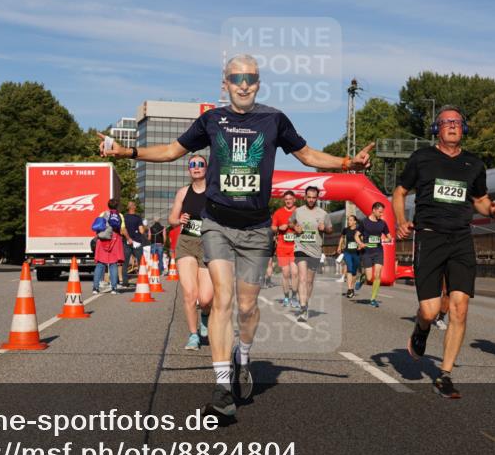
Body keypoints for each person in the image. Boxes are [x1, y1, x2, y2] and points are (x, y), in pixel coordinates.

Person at [98, 54, 372, 417]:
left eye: (250, 78)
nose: (244, 85)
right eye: (236, 78)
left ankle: (243, 354)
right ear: (224, 84)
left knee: (246, 307)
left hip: (256, 228)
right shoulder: (211, 120)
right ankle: (223, 387)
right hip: (217, 224)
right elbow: (170, 151)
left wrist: (347, 164)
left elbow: (307, 156)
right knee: (222, 301)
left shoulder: (274, 119)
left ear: (258, 83)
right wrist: (127, 151)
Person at [392, 105, 495, 399]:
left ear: (464, 129)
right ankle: (421, 328)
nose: (453, 125)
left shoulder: (474, 164)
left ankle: (444, 374)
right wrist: (401, 221)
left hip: (461, 239)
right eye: (446, 122)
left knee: (459, 307)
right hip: (429, 238)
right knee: (430, 311)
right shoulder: (422, 158)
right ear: (436, 129)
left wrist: (492, 210)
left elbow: (480, 199)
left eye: (457, 122)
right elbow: (400, 192)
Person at [168, 155, 213, 350]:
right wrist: (179, 220)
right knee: (189, 293)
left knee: (205, 299)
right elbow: (171, 219)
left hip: (209, 245)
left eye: (200, 164)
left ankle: (205, 315)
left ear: (206, 168)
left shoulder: (214, 191)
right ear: (189, 169)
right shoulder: (183, 192)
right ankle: (193, 334)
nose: (196, 167)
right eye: (192, 165)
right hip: (186, 243)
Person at [289, 186, 331, 323]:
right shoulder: (298, 211)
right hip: (301, 247)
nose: (311, 200)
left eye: (314, 197)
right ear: (305, 197)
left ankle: (305, 304)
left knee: (309, 281)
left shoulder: (323, 213)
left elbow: (330, 229)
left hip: (315, 250)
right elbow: (290, 222)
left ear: (317, 198)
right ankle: (302, 308)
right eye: (309, 197)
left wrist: (325, 228)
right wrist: (295, 227)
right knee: (302, 277)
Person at [355, 203, 392, 308]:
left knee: (377, 275)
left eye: (382, 212)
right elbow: (356, 235)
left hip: (378, 251)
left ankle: (373, 299)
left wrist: (387, 239)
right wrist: (360, 243)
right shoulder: (364, 222)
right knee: (369, 277)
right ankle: (362, 278)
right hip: (367, 251)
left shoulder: (383, 223)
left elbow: (389, 237)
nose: (381, 214)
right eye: (380, 212)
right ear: (374, 210)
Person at [271, 191, 300, 308]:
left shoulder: (299, 212)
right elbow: (272, 227)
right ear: (284, 200)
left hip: (295, 247)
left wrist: (295, 227)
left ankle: (294, 297)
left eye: (290, 199)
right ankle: (286, 297)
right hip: (282, 247)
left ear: (294, 200)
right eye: (286, 199)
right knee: (285, 273)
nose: (288, 201)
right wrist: (279, 228)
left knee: (295, 273)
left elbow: (305, 226)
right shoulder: (278, 212)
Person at [92, 198, 126, 295]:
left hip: (102, 239)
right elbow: (122, 229)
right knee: (113, 264)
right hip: (115, 240)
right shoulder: (120, 215)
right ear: (117, 206)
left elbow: (98, 227)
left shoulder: (103, 214)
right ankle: (114, 288)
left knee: (100, 264)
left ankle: (95, 288)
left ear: (108, 205)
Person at [337, 214, 362, 299]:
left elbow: (362, 238)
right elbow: (342, 238)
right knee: (349, 268)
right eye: (348, 220)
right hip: (347, 252)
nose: (349, 222)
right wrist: (339, 247)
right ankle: (349, 289)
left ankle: (352, 288)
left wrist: (360, 245)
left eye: (351, 220)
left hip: (356, 253)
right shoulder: (345, 230)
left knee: (354, 272)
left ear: (355, 222)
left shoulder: (358, 230)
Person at [122, 200, 146, 285]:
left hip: (127, 242)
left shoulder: (124, 217)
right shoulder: (138, 218)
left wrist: (128, 238)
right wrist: (144, 227)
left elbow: (123, 230)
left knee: (125, 263)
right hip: (137, 243)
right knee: (140, 262)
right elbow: (141, 231)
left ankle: (125, 282)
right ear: (134, 207)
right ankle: (141, 280)